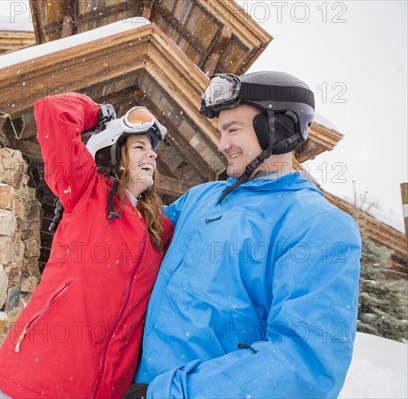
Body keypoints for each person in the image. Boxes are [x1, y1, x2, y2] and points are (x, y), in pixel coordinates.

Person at [127, 71, 362, 398]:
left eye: (232, 129)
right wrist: (97, 193)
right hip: (132, 384)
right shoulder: (202, 197)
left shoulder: (317, 224)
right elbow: (135, 237)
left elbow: (304, 362)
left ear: (277, 129)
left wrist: (169, 394)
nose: (222, 145)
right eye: (220, 131)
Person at [0, 92, 174, 399]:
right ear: (115, 154)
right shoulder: (87, 190)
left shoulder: (160, 229)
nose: (153, 155)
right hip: (29, 381)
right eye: (140, 146)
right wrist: (99, 113)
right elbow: (53, 111)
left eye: (153, 150)